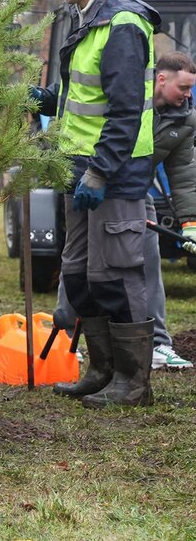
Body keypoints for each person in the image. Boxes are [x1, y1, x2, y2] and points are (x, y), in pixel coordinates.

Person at [30, 0, 160, 408]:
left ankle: (133, 381)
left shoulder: (122, 23)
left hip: (114, 173)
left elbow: (125, 111)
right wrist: (49, 101)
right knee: (80, 273)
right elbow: (87, 98)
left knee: (117, 273)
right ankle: (102, 369)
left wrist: (101, 172)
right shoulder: (85, 20)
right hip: (79, 167)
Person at [51, 52, 196, 371]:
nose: (188, 95)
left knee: (148, 261)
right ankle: (65, 339)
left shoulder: (184, 120)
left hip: (133, 191)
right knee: (78, 259)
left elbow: (184, 174)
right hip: (91, 183)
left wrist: (191, 223)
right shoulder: (128, 96)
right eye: (183, 87)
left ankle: (157, 344)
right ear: (162, 78)